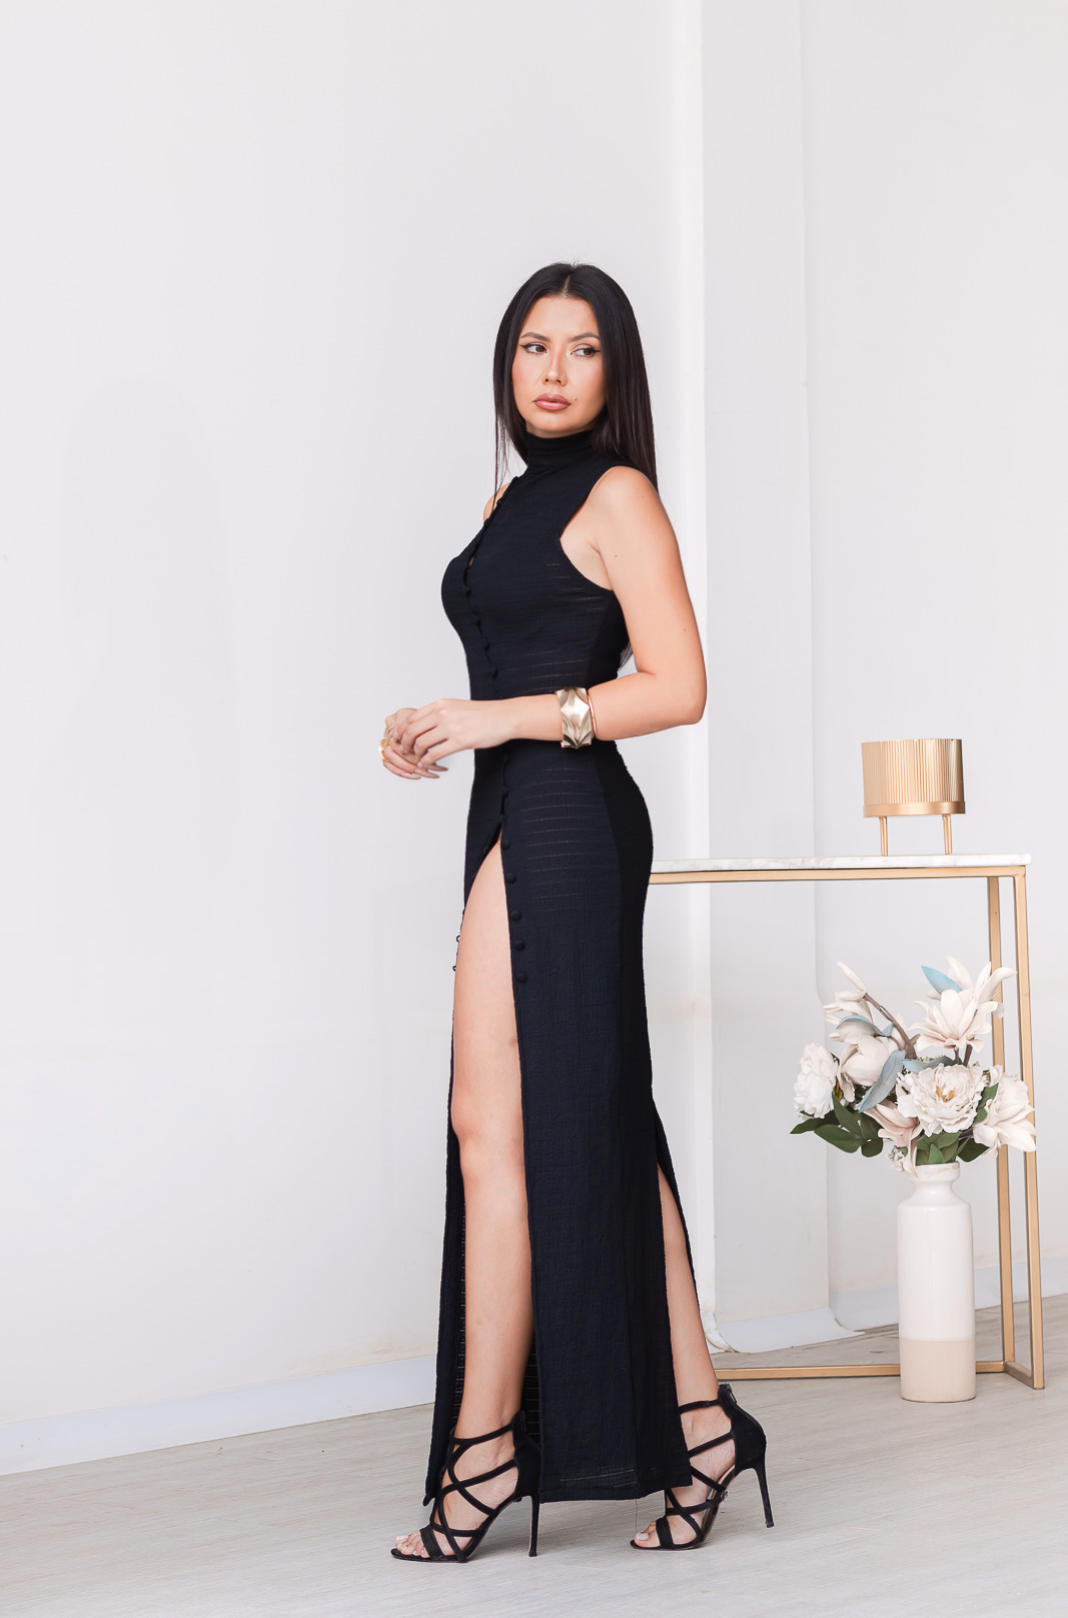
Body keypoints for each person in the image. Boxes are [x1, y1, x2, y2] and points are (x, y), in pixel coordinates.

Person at [383, 263, 772, 1562]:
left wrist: (496, 716)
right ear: (508, 363)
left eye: (583, 347)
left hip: (568, 820)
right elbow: (507, 660)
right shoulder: (511, 498)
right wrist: (432, 727)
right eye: (533, 346)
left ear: (617, 371)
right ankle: (703, 1425)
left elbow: (679, 685)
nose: (552, 370)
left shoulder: (619, 495)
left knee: (508, 1123)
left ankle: (486, 1446)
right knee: (573, 1117)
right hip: (509, 805)